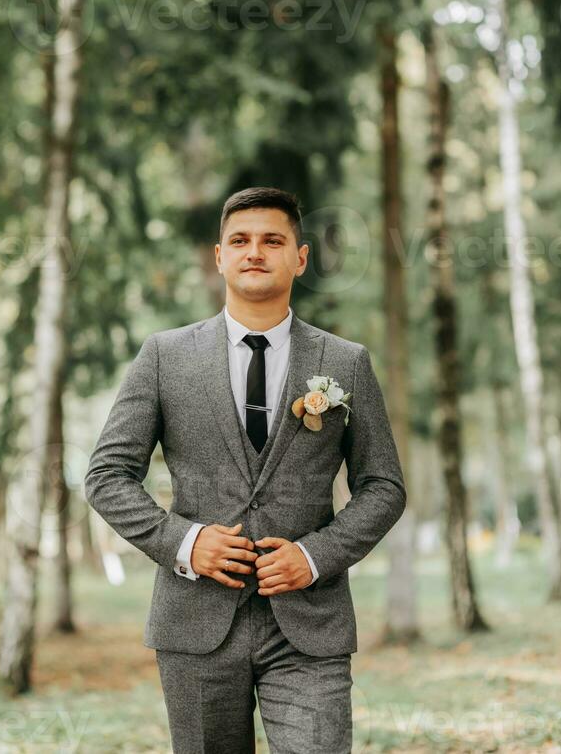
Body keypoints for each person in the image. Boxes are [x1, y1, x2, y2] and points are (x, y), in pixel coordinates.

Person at [85, 185, 406, 753]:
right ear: (219, 256)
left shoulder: (344, 362)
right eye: (240, 240)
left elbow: (383, 486)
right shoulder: (164, 356)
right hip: (196, 622)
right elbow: (107, 476)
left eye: (272, 240)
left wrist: (314, 557)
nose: (255, 251)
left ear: (300, 257)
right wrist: (185, 543)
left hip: (310, 623)